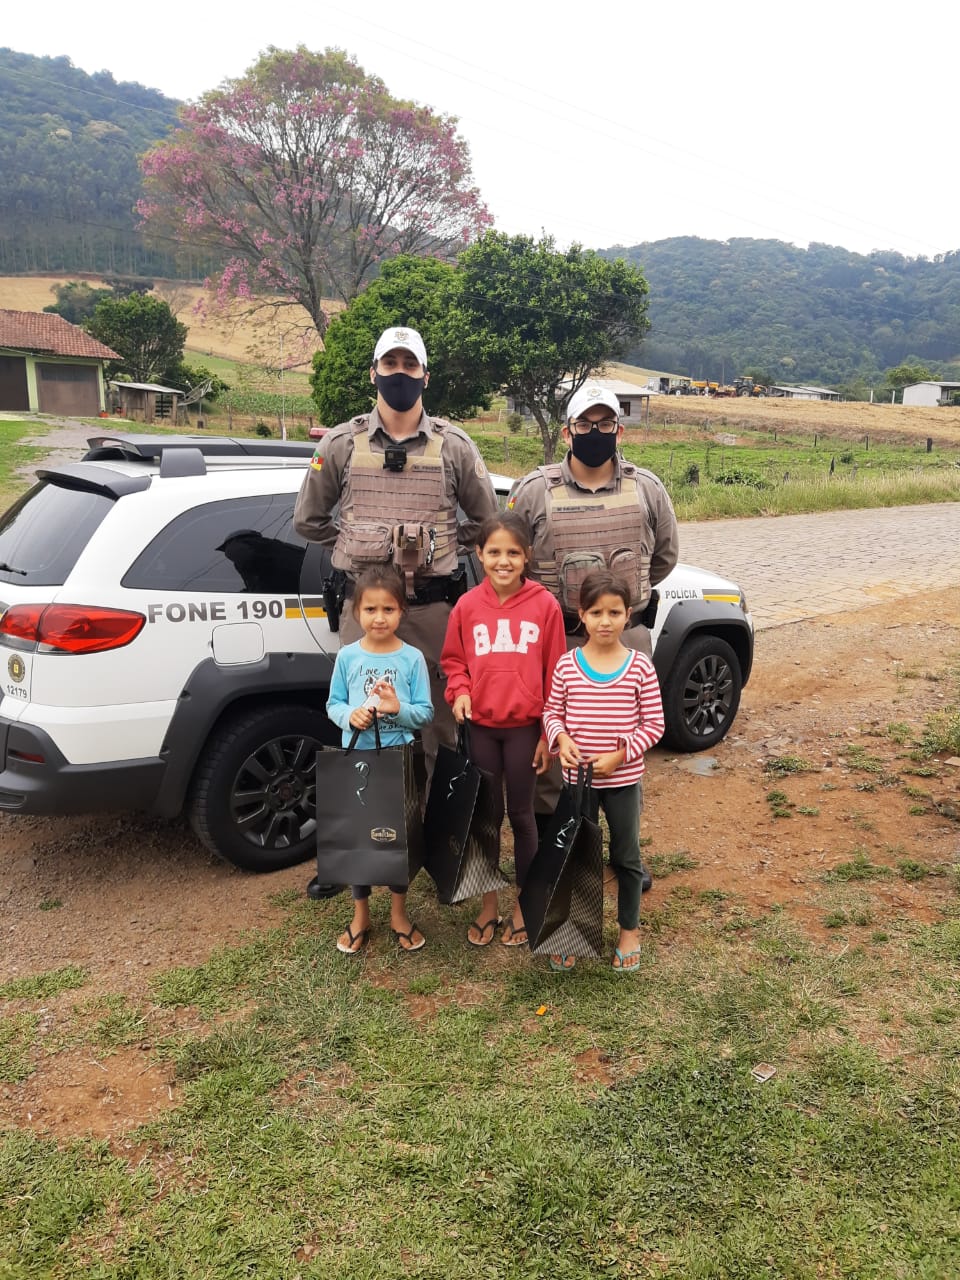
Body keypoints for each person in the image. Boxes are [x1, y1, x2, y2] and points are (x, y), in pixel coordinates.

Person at [294, 325, 498, 898]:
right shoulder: (340, 444)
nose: (401, 374)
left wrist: (442, 542)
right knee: (359, 725)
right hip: (366, 612)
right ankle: (358, 852)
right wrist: (358, 540)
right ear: (374, 372)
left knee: (432, 730)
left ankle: (432, 850)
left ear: (425, 376)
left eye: (411, 365)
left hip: (433, 613)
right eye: (392, 364)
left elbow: (486, 521)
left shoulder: (455, 446)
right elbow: (308, 521)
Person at [507, 382, 679, 886]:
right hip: (554, 640)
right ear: (568, 430)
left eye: (606, 424)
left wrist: (617, 613)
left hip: (626, 641)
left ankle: (626, 853)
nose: (596, 432)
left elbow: (664, 557)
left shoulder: (646, 487)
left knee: (626, 749)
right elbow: (510, 558)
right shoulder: (535, 490)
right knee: (555, 751)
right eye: (585, 424)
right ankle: (555, 853)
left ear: (619, 429)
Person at [440, 513, 566, 948]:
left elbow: (555, 674)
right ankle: (488, 905)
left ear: (527, 555)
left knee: (523, 817)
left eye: (513, 552)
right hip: (482, 730)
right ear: (479, 555)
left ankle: (523, 904)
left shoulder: (545, 606)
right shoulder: (468, 606)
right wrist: (458, 691)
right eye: (494, 552)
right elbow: (453, 662)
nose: (504, 561)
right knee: (486, 818)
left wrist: (548, 735)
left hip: (525, 731)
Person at [541, 570, 665, 972]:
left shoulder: (639, 667)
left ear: (628, 615)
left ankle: (629, 929)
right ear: (582, 615)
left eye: (614, 612)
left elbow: (655, 725)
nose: (605, 621)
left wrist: (622, 755)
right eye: (596, 612)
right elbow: (551, 713)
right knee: (578, 856)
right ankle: (575, 929)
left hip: (623, 783)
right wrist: (560, 739)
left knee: (626, 856)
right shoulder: (567, 665)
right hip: (578, 785)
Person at [325, 568, 434, 953]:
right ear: (357, 612)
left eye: (389, 608)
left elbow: (424, 714)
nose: (379, 617)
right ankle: (360, 915)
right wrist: (349, 715)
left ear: (402, 611)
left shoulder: (412, 658)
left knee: (397, 837)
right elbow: (333, 703)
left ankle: (399, 913)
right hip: (358, 758)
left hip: (398, 756)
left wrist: (397, 708)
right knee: (359, 838)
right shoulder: (347, 656)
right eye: (370, 609)